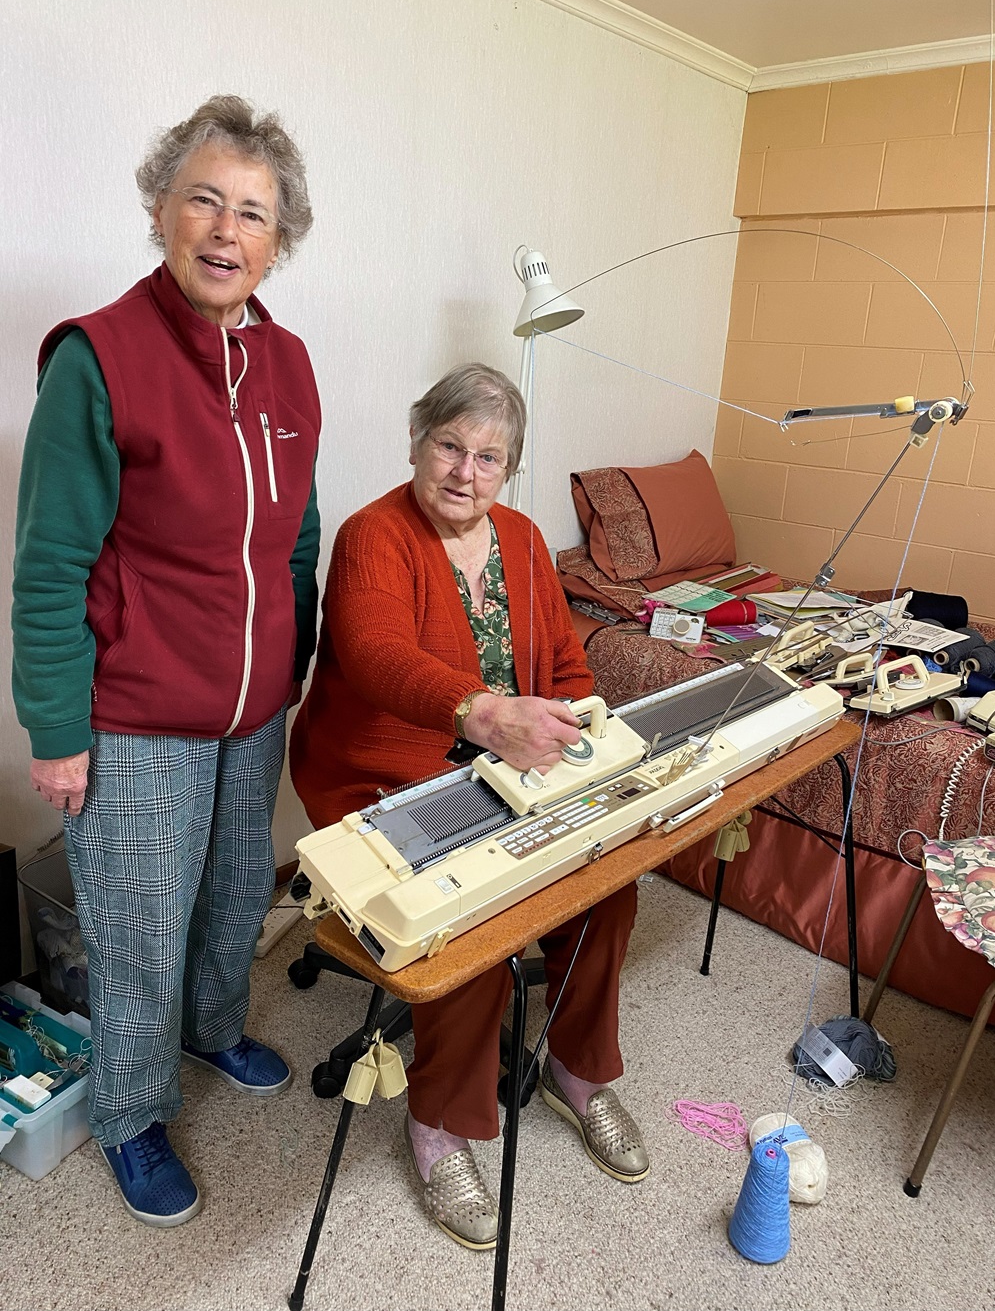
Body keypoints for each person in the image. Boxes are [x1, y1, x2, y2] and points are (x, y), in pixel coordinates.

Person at [11, 96, 322, 1227]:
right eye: (205, 198)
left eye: (254, 211)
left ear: (278, 239)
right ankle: (131, 1112)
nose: (227, 228)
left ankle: (212, 1027)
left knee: (238, 890)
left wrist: (290, 666)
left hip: (252, 711)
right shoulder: (100, 358)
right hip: (137, 711)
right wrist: (55, 730)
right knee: (137, 924)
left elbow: (297, 534)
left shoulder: (287, 364)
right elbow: (49, 563)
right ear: (160, 209)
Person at [290, 364, 647, 1252]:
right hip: (379, 773)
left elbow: (563, 665)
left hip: (507, 771)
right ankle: (439, 1126)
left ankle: (578, 1068)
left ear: (508, 471)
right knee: (470, 926)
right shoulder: (374, 534)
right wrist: (484, 714)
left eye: (489, 458)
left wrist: (575, 734)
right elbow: (372, 655)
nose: (464, 471)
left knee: (608, 882)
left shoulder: (522, 542)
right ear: (416, 443)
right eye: (449, 445)